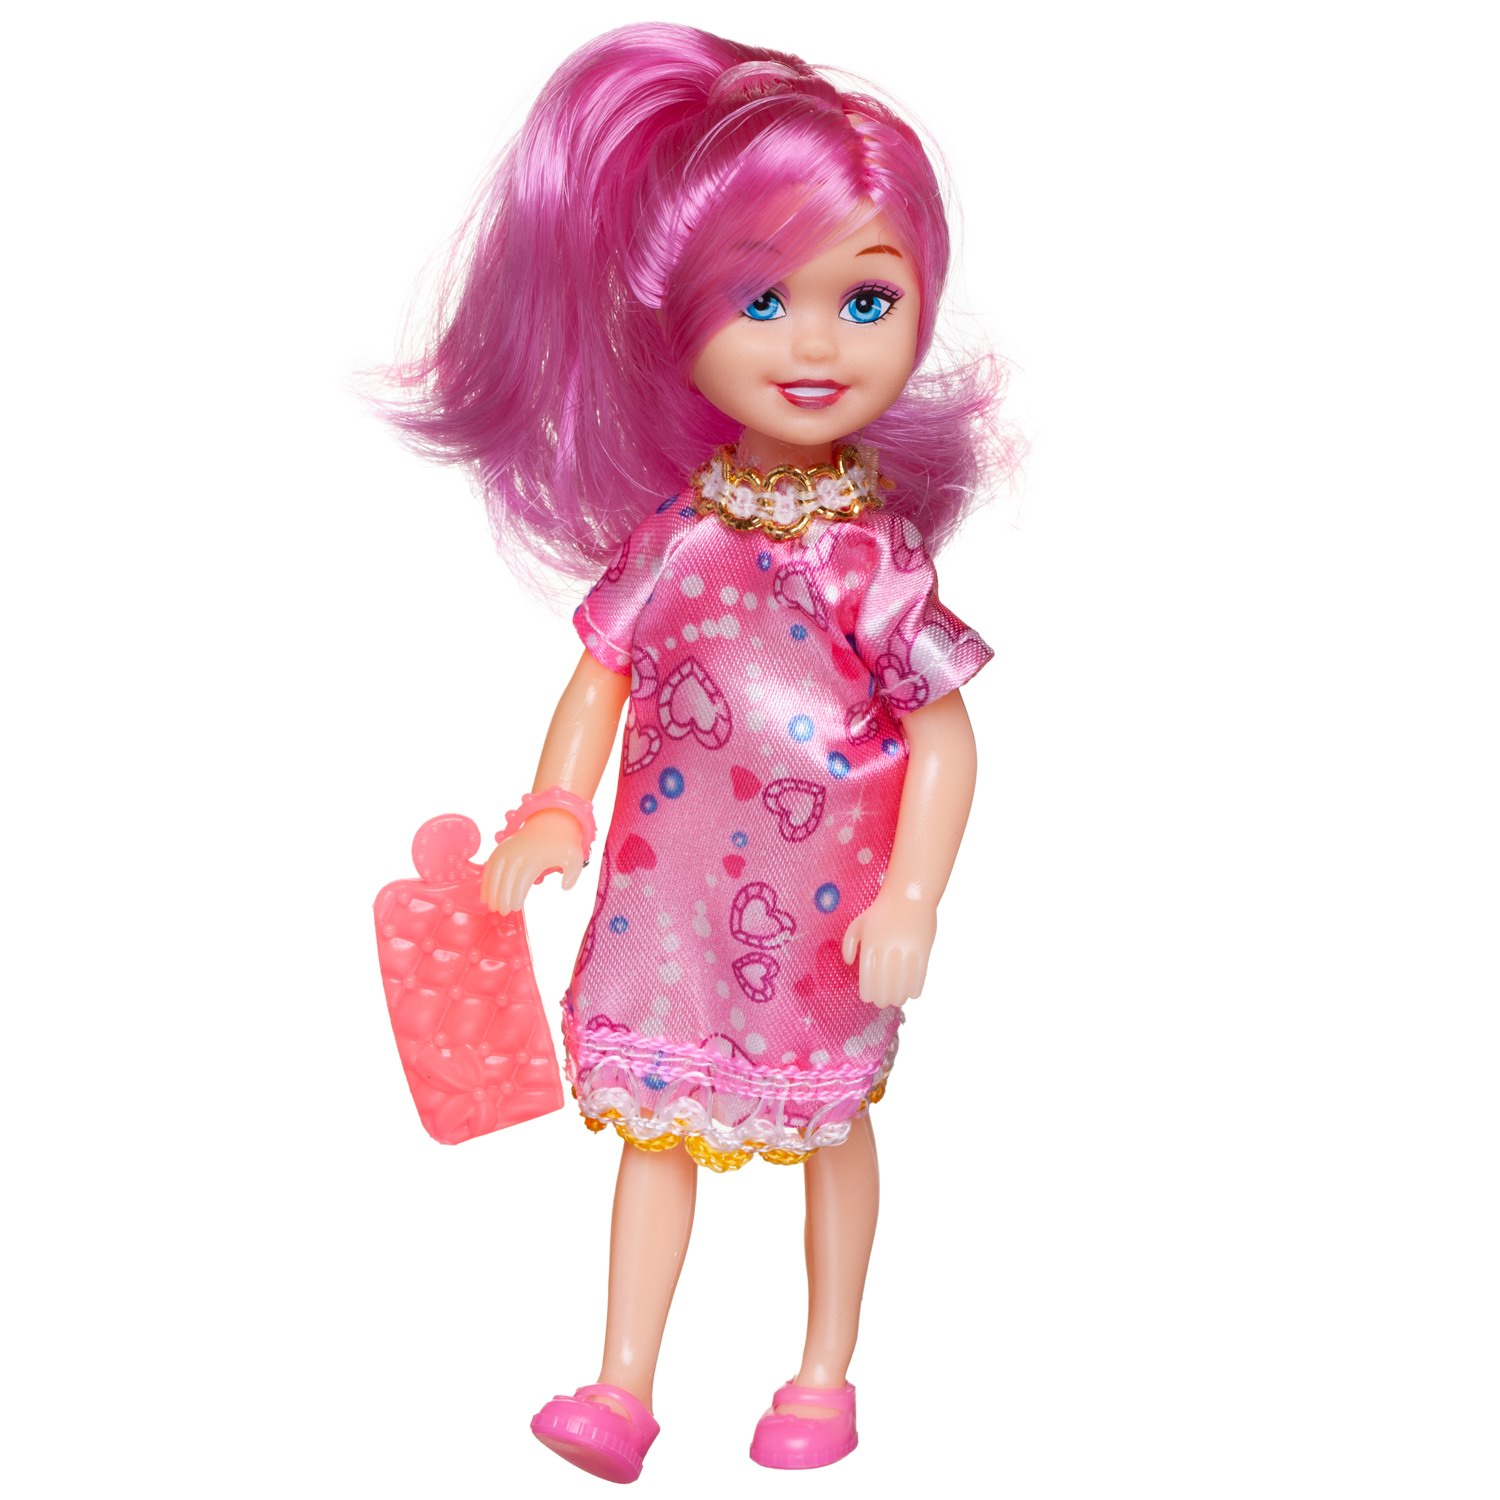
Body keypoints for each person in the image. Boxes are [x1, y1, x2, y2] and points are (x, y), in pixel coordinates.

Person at [384, 23, 1008, 1482]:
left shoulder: (870, 562)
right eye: (762, 299)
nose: (815, 345)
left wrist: (914, 896)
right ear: (680, 315)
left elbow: (946, 732)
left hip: (829, 911)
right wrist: (554, 805)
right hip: (668, 897)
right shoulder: (678, 540)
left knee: (829, 1130)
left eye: (866, 299)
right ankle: (621, 1383)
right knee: (652, 1137)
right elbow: (600, 674)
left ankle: (823, 1372)